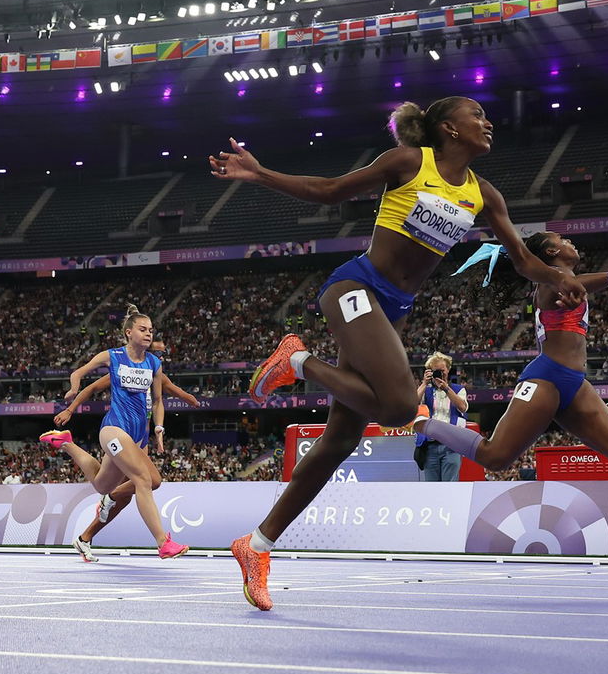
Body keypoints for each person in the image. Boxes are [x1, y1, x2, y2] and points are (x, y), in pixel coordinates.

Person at [209, 97, 587, 610]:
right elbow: (328, 191)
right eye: (478, 115)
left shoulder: (484, 194)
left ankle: (255, 546)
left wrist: (562, 278)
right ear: (449, 129)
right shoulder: (411, 162)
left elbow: (522, 260)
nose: (488, 122)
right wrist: (259, 174)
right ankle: (298, 360)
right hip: (355, 287)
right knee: (398, 409)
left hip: (393, 311)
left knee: (340, 439)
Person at [414, 231, 608, 556]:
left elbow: (577, 284)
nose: (571, 242)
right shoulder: (549, 281)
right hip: (545, 377)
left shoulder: (567, 280)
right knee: (495, 456)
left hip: (575, 382)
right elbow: (564, 280)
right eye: (562, 239)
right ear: (550, 250)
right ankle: (422, 423)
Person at [38, 305, 188, 559]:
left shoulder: (154, 362)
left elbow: (159, 400)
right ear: (129, 333)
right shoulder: (113, 355)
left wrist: (160, 428)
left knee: (111, 483)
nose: (149, 334)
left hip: (138, 436)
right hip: (114, 430)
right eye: (143, 329)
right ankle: (163, 542)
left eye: (151, 330)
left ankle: (66, 443)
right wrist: (73, 390)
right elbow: (79, 372)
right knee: (142, 481)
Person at [415, 353, 469, 481]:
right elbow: (412, 404)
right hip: (430, 445)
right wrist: (424, 383)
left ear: (448, 370)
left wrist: (446, 388)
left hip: (452, 445)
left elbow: (462, 407)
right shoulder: (426, 390)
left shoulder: (458, 389)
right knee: (432, 488)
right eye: (435, 371)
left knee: (450, 487)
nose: (439, 374)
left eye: (442, 371)